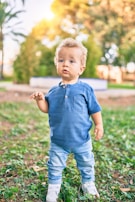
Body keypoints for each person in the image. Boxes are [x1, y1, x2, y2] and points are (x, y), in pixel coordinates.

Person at [30, 38, 104, 202]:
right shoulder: (53, 91)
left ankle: (88, 183)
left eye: (72, 61)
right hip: (59, 140)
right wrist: (40, 100)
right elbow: (46, 109)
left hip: (82, 139)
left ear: (81, 68)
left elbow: (95, 109)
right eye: (61, 60)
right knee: (54, 166)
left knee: (86, 163)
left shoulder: (85, 89)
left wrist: (99, 124)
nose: (65, 64)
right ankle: (53, 188)